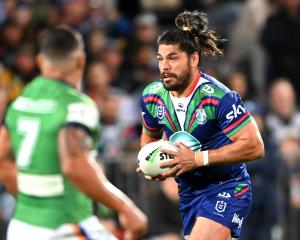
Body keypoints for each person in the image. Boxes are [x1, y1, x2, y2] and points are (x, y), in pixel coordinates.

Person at [0, 26, 147, 240]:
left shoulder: (21, 102)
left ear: (40, 61)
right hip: (64, 226)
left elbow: (4, 163)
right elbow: (74, 164)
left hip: (22, 227)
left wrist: (32, 206)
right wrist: (125, 207)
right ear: (80, 61)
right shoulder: (76, 105)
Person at [139, 10, 264, 240]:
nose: (164, 66)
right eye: (160, 58)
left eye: (173, 58)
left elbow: (255, 146)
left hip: (227, 188)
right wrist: (150, 161)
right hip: (188, 193)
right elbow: (149, 136)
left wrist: (197, 159)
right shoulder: (151, 96)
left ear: (193, 58)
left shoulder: (219, 98)